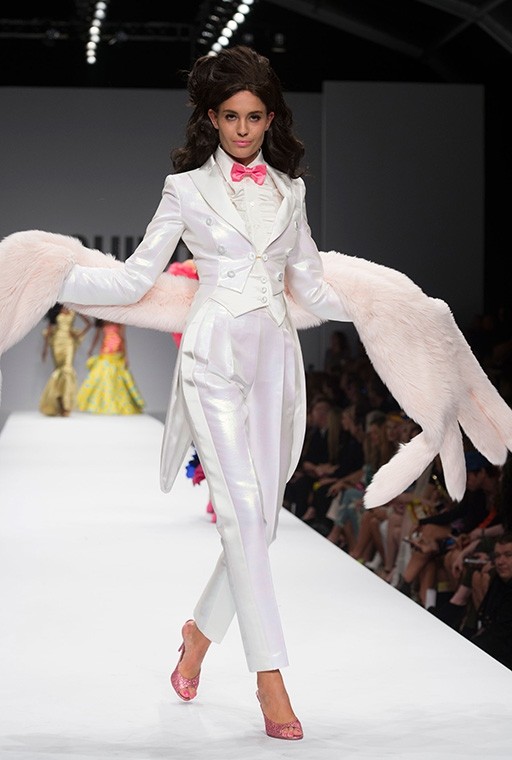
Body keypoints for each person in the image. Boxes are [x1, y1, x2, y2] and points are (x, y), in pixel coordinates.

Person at [2, 44, 512, 741]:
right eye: (230, 116)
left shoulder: (290, 192)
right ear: (212, 118)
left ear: (270, 119)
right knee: (242, 513)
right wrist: (55, 273)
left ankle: (197, 637)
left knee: (262, 523)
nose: (242, 129)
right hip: (212, 357)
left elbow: (312, 288)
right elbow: (134, 279)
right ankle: (270, 675)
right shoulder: (184, 190)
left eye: (254, 116)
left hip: (278, 361)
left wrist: (390, 303)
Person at [76, 319, 145, 415]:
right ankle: (103, 404)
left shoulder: (120, 322)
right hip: (105, 350)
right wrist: (91, 348)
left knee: (116, 379)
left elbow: (122, 337)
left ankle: (115, 405)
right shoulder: (103, 321)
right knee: (104, 377)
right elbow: (97, 336)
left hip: (116, 351)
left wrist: (126, 356)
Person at [39, 304, 90, 417]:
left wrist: (79, 334)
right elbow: (49, 329)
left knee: (67, 370)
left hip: (69, 342)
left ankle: (66, 406)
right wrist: (45, 349)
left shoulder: (74, 309)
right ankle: (59, 403)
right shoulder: (55, 310)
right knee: (59, 372)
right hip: (57, 343)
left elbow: (89, 323)